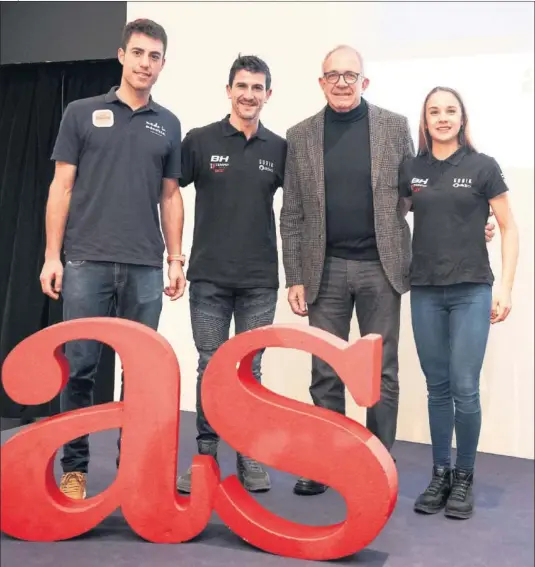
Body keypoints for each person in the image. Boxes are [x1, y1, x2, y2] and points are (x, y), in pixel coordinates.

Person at [279, 45, 495, 497]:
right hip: (325, 270)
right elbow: (292, 210)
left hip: (383, 267)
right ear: (321, 83)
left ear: (364, 81)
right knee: (325, 371)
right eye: (333, 75)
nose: (342, 82)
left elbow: (426, 187)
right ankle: (329, 461)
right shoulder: (299, 135)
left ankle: (375, 458)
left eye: (350, 74)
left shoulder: (394, 127)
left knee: (383, 372)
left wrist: (477, 218)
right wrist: (294, 275)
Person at [39, 19, 185, 500]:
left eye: (155, 56)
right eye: (138, 53)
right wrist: (51, 256)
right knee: (80, 369)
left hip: (145, 265)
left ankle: (136, 469)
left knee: (140, 375)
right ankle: (75, 468)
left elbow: (170, 197)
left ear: (162, 64)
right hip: (86, 262)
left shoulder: (168, 123)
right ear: (121, 55)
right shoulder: (82, 113)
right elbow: (61, 186)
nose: (146, 63)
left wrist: (176, 258)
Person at [399, 87, 519, 520]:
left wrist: (505, 287)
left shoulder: (483, 166)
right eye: (434, 111)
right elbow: (397, 215)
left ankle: (464, 476)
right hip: (426, 291)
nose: (443, 118)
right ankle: (440, 474)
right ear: (425, 119)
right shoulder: (411, 168)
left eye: (450, 110)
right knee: (438, 388)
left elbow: (508, 227)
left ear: (462, 118)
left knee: (465, 388)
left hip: (471, 289)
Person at [175, 55, 287, 494]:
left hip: (260, 280)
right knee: (210, 366)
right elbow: (166, 191)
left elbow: (303, 208)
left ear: (268, 95)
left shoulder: (278, 148)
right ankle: (205, 453)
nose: (249, 94)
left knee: (250, 370)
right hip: (209, 279)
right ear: (228, 90)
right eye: (242, 86)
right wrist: (175, 258)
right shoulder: (199, 141)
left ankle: (248, 454)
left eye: (257, 88)